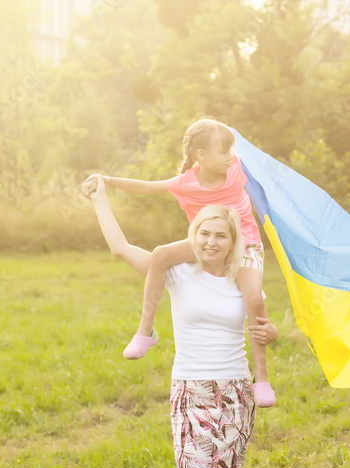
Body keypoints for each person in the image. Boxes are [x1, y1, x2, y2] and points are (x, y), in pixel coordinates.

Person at [85, 174, 275, 468]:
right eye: (204, 233)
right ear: (194, 235)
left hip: (234, 391)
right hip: (190, 391)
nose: (211, 242)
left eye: (220, 235)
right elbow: (121, 248)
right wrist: (100, 198)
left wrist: (273, 333)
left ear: (232, 241)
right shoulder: (176, 273)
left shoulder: (245, 278)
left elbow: (264, 327)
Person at [81, 119, 277, 408]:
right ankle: (145, 331)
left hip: (246, 244)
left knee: (253, 297)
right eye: (222, 151)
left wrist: (272, 331)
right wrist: (106, 181)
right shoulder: (187, 185)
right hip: (203, 248)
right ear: (201, 156)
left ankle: (261, 377)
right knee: (161, 254)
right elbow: (144, 189)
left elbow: (269, 180)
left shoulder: (236, 168)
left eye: (229, 150)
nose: (228, 156)